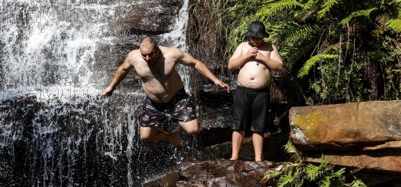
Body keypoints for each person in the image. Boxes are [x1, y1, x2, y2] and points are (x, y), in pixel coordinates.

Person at [103, 36, 230, 150]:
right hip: (153, 103)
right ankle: (170, 137)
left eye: (150, 54)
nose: (147, 58)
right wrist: (111, 87)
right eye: (144, 55)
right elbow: (122, 69)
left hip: (176, 99)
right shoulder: (133, 57)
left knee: (193, 130)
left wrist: (216, 80)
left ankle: (183, 128)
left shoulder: (172, 54)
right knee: (145, 137)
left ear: (157, 49)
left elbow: (195, 63)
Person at [228, 21, 283, 162]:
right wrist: (246, 56)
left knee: (259, 126)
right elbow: (231, 65)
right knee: (238, 124)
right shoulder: (242, 46)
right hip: (242, 91)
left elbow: (279, 66)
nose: (256, 41)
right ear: (249, 36)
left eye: (259, 38)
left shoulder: (270, 48)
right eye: (254, 38)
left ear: (263, 37)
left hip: (261, 92)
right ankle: (234, 156)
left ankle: (258, 158)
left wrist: (263, 58)